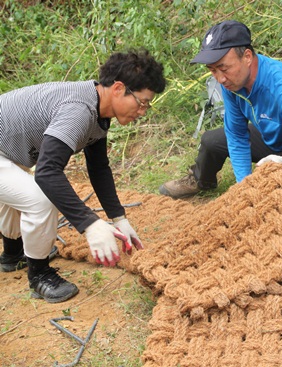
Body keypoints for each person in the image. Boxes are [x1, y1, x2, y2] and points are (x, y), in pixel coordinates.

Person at [0, 50, 166, 303]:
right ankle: (39, 276)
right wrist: (90, 225)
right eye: (141, 102)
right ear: (119, 89)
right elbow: (46, 172)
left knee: (19, 188)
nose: (142, 111)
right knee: (40, 199)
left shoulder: (97, 108)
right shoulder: (79, 110)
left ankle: (13, 256)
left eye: (147, 105)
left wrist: (118, 217)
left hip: (7, 153)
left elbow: (98, 168)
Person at [159, 20, 282, 198]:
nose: (220, 79)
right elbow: (236, 135)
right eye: (212, 70)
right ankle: (201, 181)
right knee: (211, 140)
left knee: (266, 184)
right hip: (274, 138)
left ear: (247, 57)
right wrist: (244, 184)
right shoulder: (232, 82)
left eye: (223, 68)